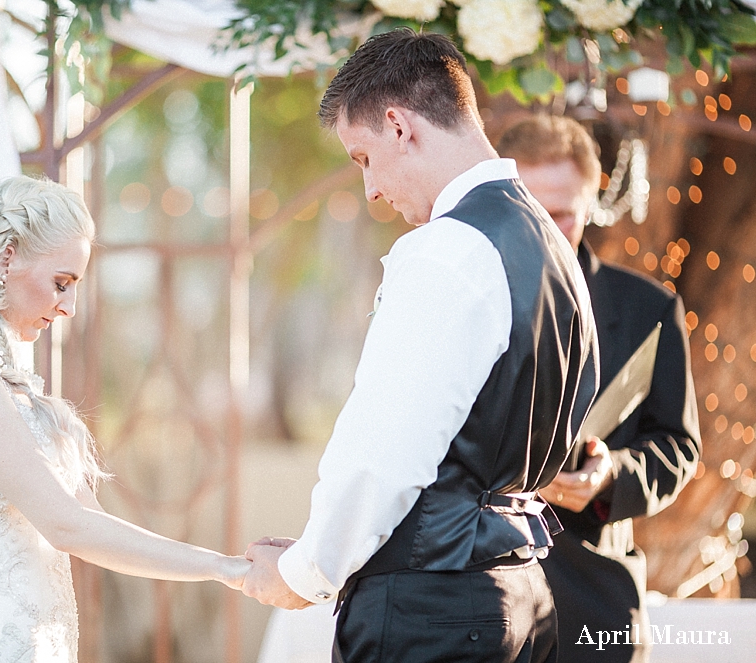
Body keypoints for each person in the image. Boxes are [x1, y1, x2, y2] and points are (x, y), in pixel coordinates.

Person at [242, 29, 599, 662]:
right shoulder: (553, 246)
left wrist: (303, 574)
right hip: (521, 592)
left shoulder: (449, 250)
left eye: (363, 158)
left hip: (433, 608)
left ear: (397, 124)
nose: (371, 189)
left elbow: (385, 453)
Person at [0, 176, 249, 661]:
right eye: (61, 284)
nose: (69, 307)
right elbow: (66, 526)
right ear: (8, 258)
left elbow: (89, 520)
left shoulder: (1, 379)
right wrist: (223, 568)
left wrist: (225, 566)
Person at [498, 115, 701, 663]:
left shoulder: (649, 310)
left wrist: (611, 474)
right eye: (531, 211)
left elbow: (678, 447)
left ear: (591, 203)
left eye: (561, 214)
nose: (544, 227)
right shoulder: (466, 298)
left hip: (595, 599)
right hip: (479, 600)